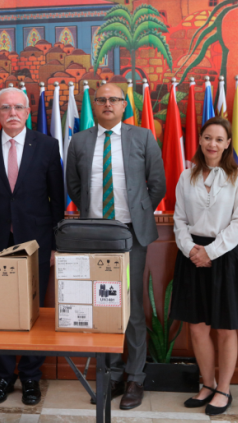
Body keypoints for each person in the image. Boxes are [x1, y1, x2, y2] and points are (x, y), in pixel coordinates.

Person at [66, 83, 166, 410]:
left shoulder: (143, 137)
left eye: (115, 99)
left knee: (133, 307)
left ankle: (136, 376)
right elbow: (74, 185)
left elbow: (158, 183)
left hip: (130, 234)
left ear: (125, 105)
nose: (108, 104)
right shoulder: (79, 141)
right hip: (93, 235)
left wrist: (135, 216)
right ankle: (111, 372)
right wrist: (94, 220)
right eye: (102, 99)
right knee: (102, 306)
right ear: (93, 105)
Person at [0, 87, 64, 406]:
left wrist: (55, 245)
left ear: (27, 112)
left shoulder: (47, 146)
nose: (12, 113)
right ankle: (4, 375)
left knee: (33, 308)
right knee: (0, 310)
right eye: (5, 107)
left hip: (35, 241)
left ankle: (32, 378)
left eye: (18, 107)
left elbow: (56, 202)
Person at [171, 117, 238, 416]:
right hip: (192, 256)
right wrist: (191, 250)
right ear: (199, 140)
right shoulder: (186, 176)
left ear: (227, 144)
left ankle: (223, 389)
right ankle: (207, 384)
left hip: (224, 256)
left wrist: (210, 252)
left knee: (225, 327)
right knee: (197, 328)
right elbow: (179, 220)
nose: (212, 144)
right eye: (207, 137)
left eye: (219, 139)